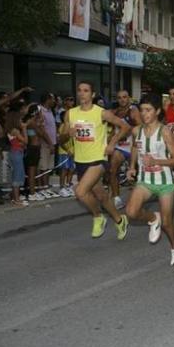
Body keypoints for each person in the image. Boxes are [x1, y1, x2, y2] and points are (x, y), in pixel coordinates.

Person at [61, 80, 131, 239]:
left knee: (80, 192)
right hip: (81, 160)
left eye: (86, 90)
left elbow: (125, 127)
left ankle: (98, 216)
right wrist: (67, 134)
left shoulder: (101, 113)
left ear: (92, 94)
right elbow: (60, 139)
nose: (82, 93)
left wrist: (112, 143)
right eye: (79, 90)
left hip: (98, 159)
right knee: (101, 196)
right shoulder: (70, 114)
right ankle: (120, 220)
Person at [124, 93, 174, 266]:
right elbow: (135, 147)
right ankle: (152, 219)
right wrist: (132, 166)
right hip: (145, 181)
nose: (144, 114)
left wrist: (156, 161)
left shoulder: (164, 132)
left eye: (148, 110)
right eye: (142, 110)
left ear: (157, 111)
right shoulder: (136, 131)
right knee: (131, 212)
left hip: (165, 183)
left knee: (167, 223)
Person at [109, 90, 141, 209]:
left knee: (137, 174)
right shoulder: (115, 112)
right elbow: (113, 129)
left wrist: (129, 130)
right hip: (120, 147)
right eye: (119, 97)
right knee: (113, 170)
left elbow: (140, 127)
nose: (122, 99)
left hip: (133, 146)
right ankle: (116, 198)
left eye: (124, 97)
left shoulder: (133, 111)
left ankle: (140, 196)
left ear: (129, 98)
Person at [5, 104, 28, 206]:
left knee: (17, 174)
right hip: (16, 153)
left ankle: (14, 197)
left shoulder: (11, 129)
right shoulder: (15, 130)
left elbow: (22, 143)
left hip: (16, 152)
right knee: (17, 176)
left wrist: (22, 143)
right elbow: (25, 141)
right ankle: (16, 199)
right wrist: (24, 129)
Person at [37, 93, 58, 198]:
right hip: (44, 143)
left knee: (49, 167)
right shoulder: (40, 110)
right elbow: (42, 129)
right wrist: (49, 143)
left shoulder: (50, 111)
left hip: (52, 143)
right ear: (47, 99)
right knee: (43, 166)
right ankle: (42, 188)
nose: (54, 101)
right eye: (52, 99)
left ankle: (47, 187)